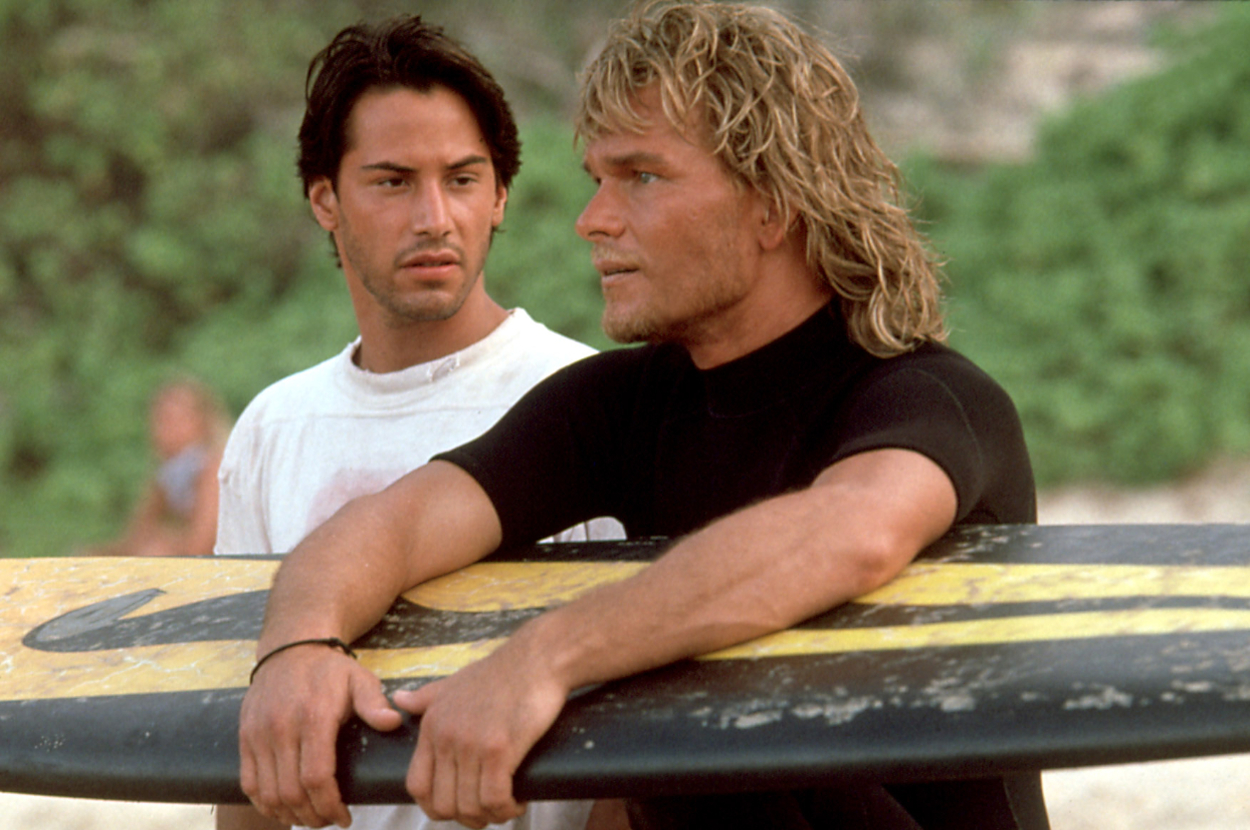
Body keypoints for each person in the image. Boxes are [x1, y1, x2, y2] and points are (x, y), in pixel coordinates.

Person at [238, 2, 1048, 829]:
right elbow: (394, 525)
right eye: (598, 179)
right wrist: (302, 643)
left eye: (643, 176)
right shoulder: (623, 407)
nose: (594, 218)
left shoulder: (928, 399)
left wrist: (542, 659)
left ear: (774, 202)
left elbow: (852, 532)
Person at [213, 15, 621, 830]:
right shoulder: (275, 426)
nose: (435, 216)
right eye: (394, 181)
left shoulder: (588, 397)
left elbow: (637, 723)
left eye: (463, 180)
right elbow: (245, 720)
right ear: (325, 199)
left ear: (500, 195)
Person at [84, 377, 228, 558]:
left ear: (202, 421)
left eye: (175, 419)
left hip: (238, 568)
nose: (164, 429)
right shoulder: (171, 473)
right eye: (159, 419)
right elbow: (135, 537)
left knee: (157, 552)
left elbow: (199, 546)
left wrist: (167, 542)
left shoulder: (213, 466)